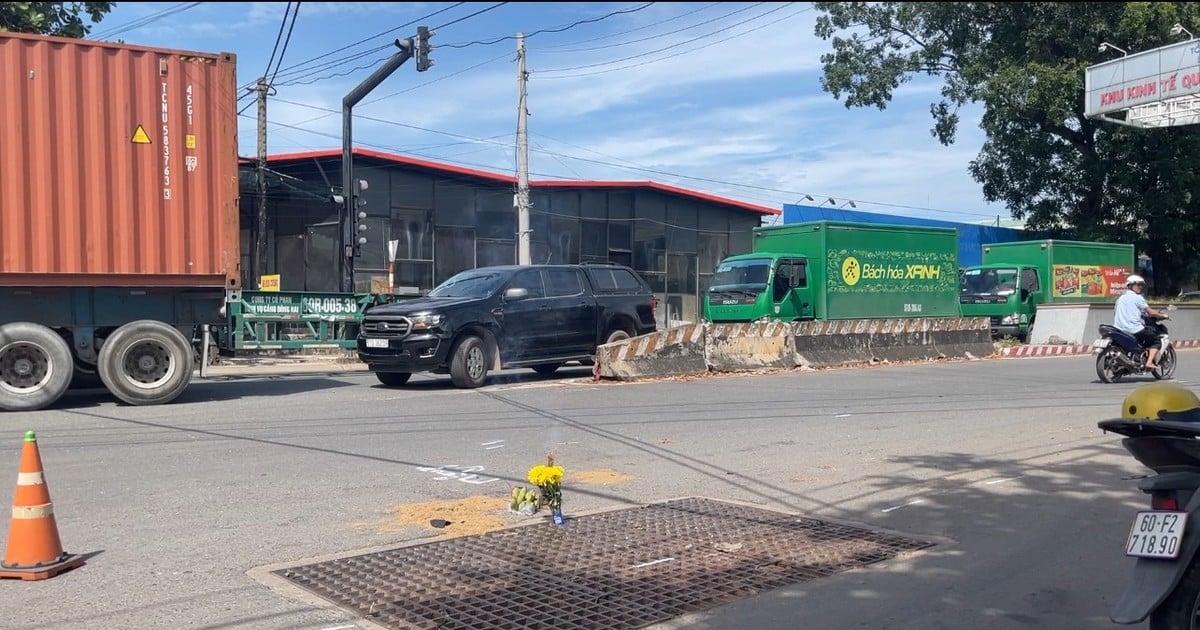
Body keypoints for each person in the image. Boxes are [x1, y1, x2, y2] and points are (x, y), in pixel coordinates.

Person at [1114, 274, 1168, 370]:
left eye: (1141, 285)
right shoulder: (1138, 298)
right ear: (1130, 285)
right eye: (1137, 285)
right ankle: (1149, 362)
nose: (1140, 287)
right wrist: (1163, 315)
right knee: (1156, 340)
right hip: (1133, 329)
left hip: (1119, 329)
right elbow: (1151, 312)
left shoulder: (1120, 299)